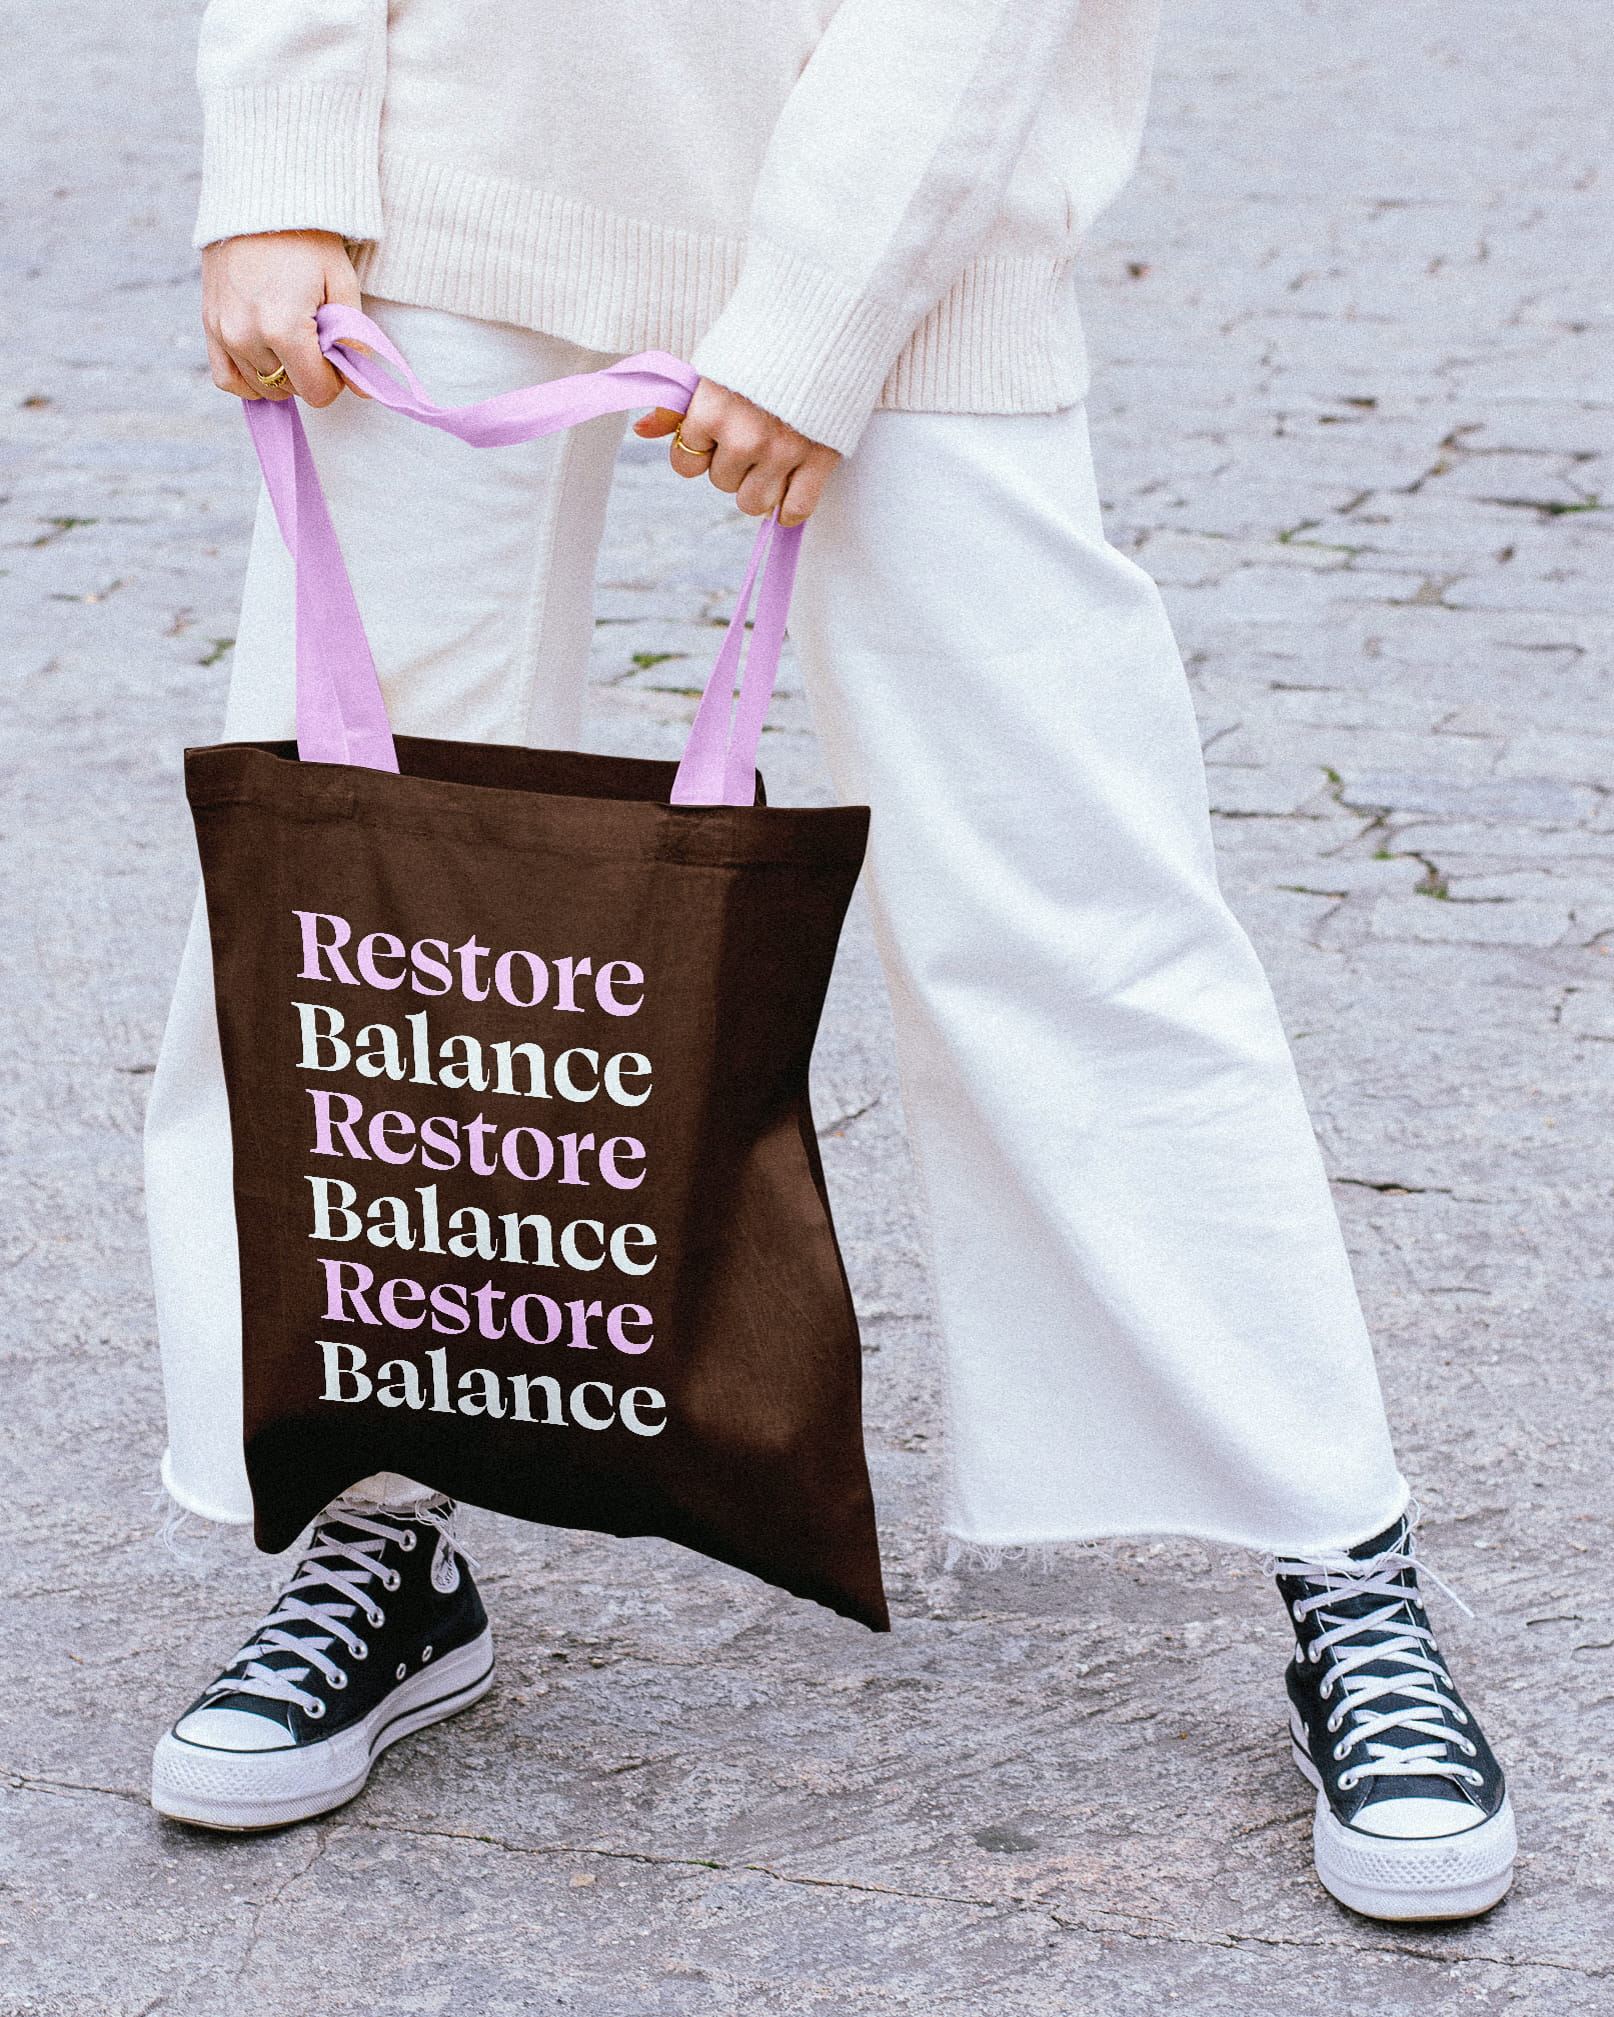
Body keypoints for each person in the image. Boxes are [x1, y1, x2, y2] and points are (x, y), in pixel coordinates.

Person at [145, 0, 1513, 1921]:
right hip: (443, 169)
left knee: (1067, 898)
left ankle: (1338, 1553)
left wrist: (816, 307)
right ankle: (371, 1522)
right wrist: (282, 160)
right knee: (353, 903)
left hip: (909, 215)